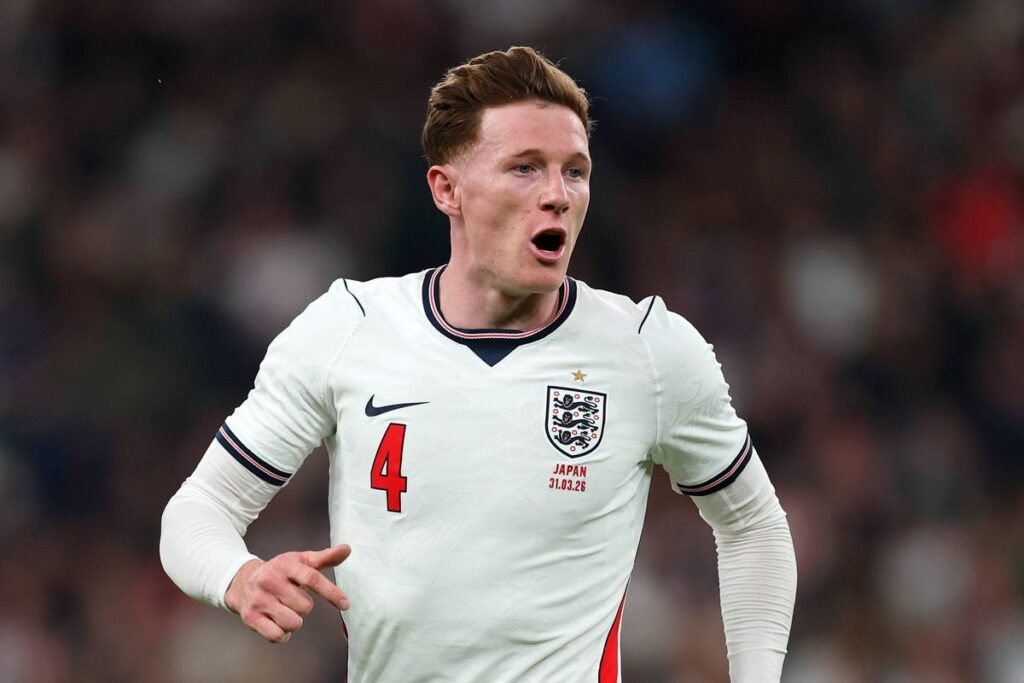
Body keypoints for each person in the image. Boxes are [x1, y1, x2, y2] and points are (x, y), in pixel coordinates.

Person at [160, 46, 796, 682]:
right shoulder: (348, 331)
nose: (557, 195)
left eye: (575, 171)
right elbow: (197, 513)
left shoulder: (648, 350)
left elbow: (754, 527)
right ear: (447, 190)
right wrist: (238, 577)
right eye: (525, 168)